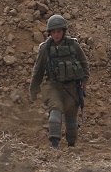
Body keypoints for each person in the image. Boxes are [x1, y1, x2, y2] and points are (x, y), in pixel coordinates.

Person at [29, 14, 90, 149]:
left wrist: (84, 82)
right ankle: (55, 146)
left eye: (59, 31)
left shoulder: (73, 45)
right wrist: (33, 90)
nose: (56, 35)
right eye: (54, 32)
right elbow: (38, 70)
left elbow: (84, 64)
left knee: (71, 121)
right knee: (54, 115)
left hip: (72, 88)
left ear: (63, 31)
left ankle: (71, 146)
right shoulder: (45, 48)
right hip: (53, 86)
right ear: (50, 33)